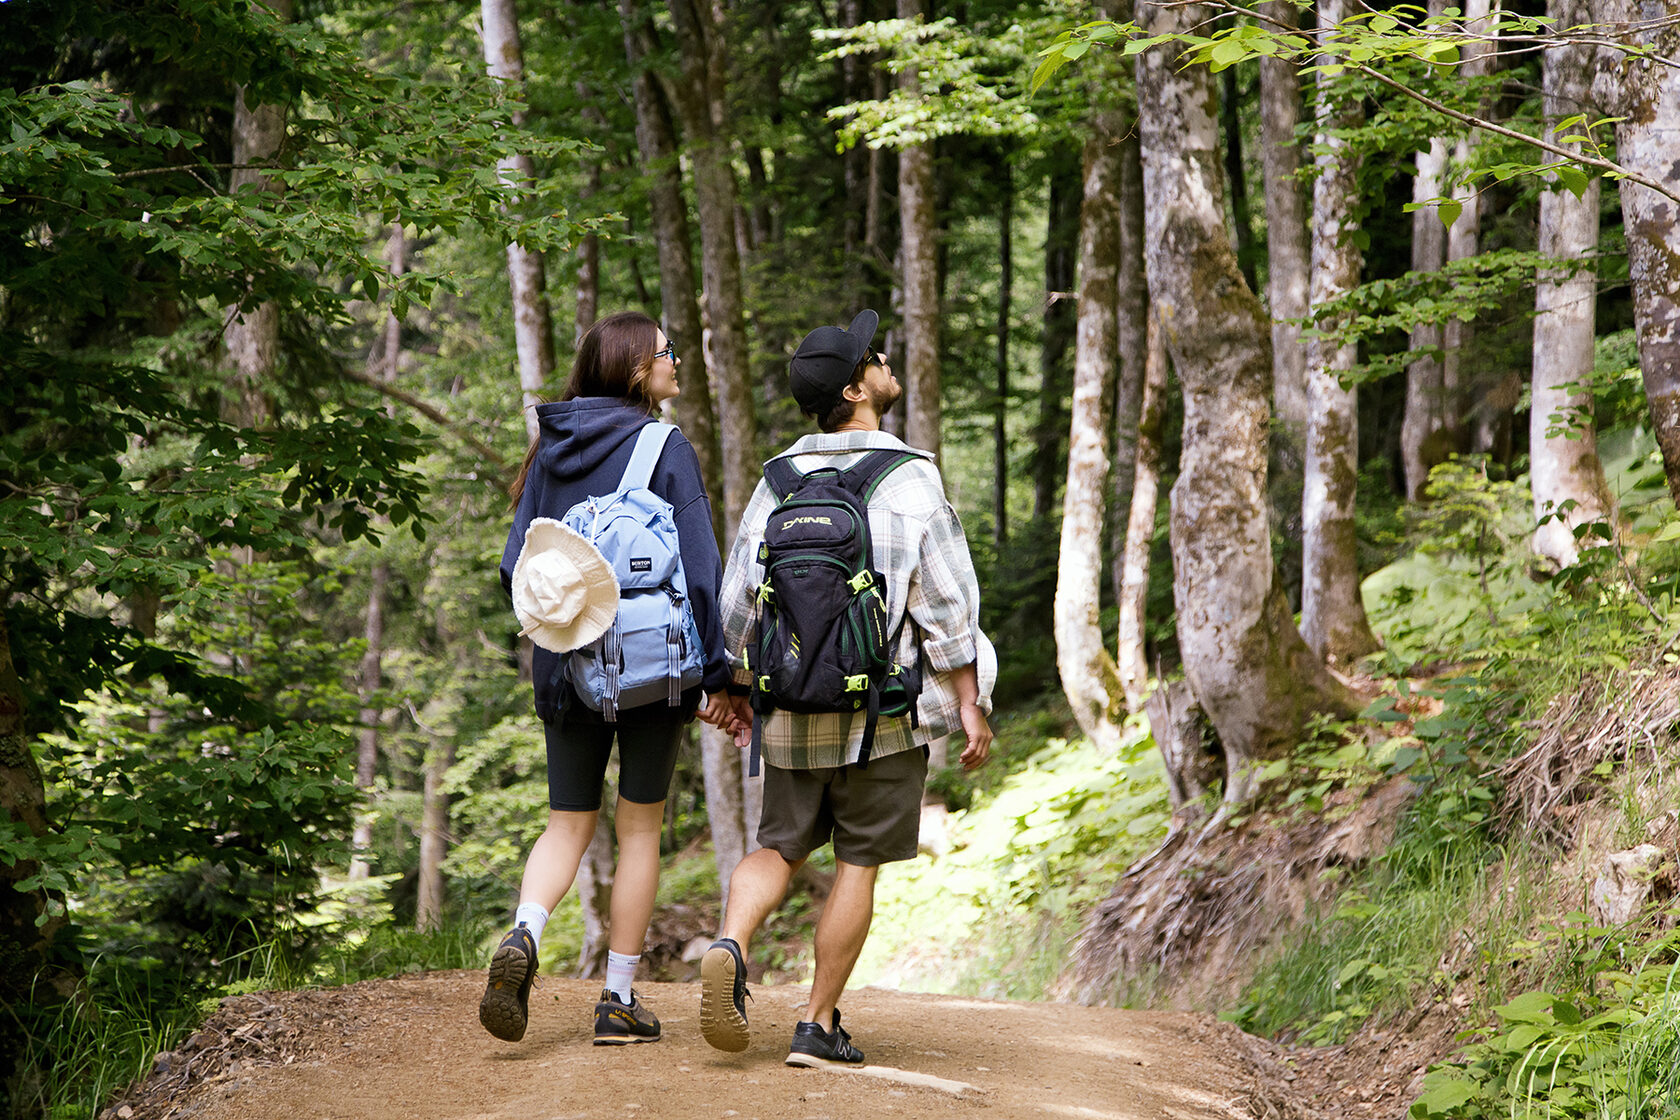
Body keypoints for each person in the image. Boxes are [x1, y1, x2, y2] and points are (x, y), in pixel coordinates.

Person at [700, 309, 995, 1068]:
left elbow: (738, 600)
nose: (887, 358)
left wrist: (733, 686)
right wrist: (968, 701)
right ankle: (816, 1023)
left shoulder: (776, 481)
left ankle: (730, 944)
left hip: (793, 709)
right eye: (875, 356)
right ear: (858, 387)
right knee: (856, 864)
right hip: (884, 714)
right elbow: (948, 605)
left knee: (779, 846)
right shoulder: (910, 477)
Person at [481, 311, 740, 1046]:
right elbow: (699, 570)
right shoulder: (665, 446)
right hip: (651, 669)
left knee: (567, 821)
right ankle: (618, 1000)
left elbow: (514, 567)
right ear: (636, 370)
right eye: (667, 353)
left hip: (564, 662)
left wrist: (562, 636)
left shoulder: (551, 443)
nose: (677, 362)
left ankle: (525, 935)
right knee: (640, 827)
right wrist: (717, 675)